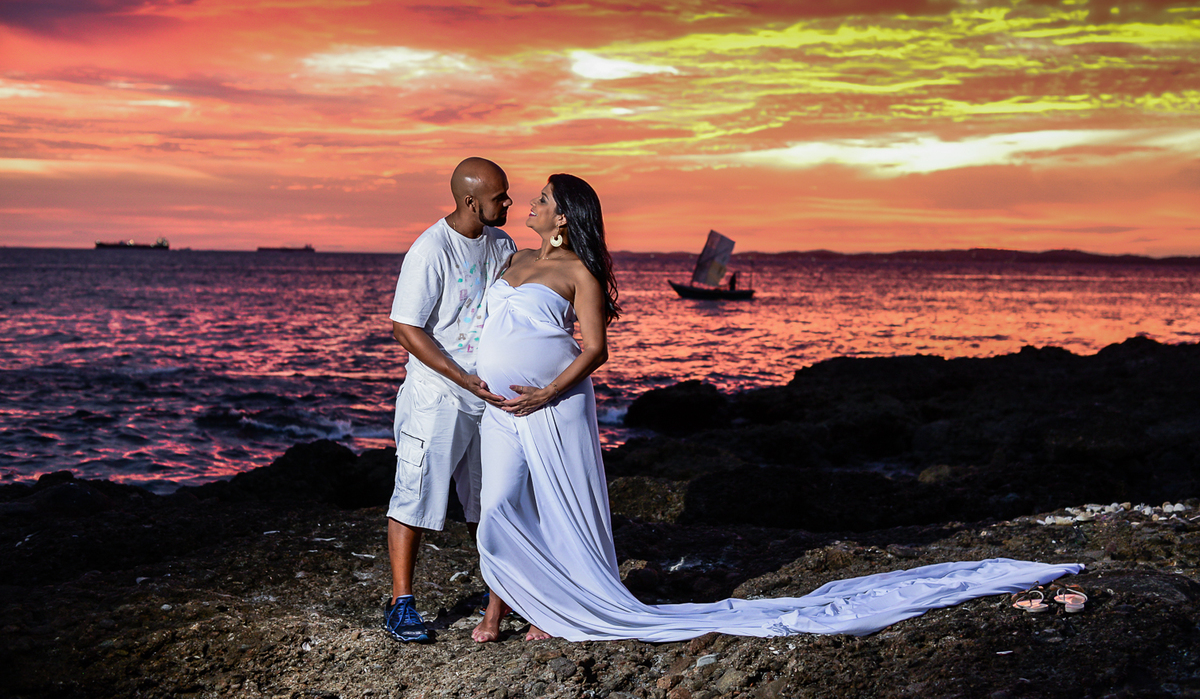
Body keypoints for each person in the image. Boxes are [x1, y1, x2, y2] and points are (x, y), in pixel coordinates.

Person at [470, 173, 1082, 644]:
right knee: (497, 505)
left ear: (564, 216)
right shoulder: (512, 259)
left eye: (543, 198)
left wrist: (548, 392)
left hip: (553, 405)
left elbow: (596, 350)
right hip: (500, 404)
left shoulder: (579, 270)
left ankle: (557, 606)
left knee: (561, 508)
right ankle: (515, 602)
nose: (532, 202)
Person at [382, 156, 516, 643]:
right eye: (500, 196)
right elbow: (405, 328)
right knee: (415, 493)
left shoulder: (502, 244)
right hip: (437, 395)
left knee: (488, 498)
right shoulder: (430, 250)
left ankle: (498, 591)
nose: (509, 202)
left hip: (488, 396)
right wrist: (460, 375)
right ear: (470, 201)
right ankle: (400, 604)